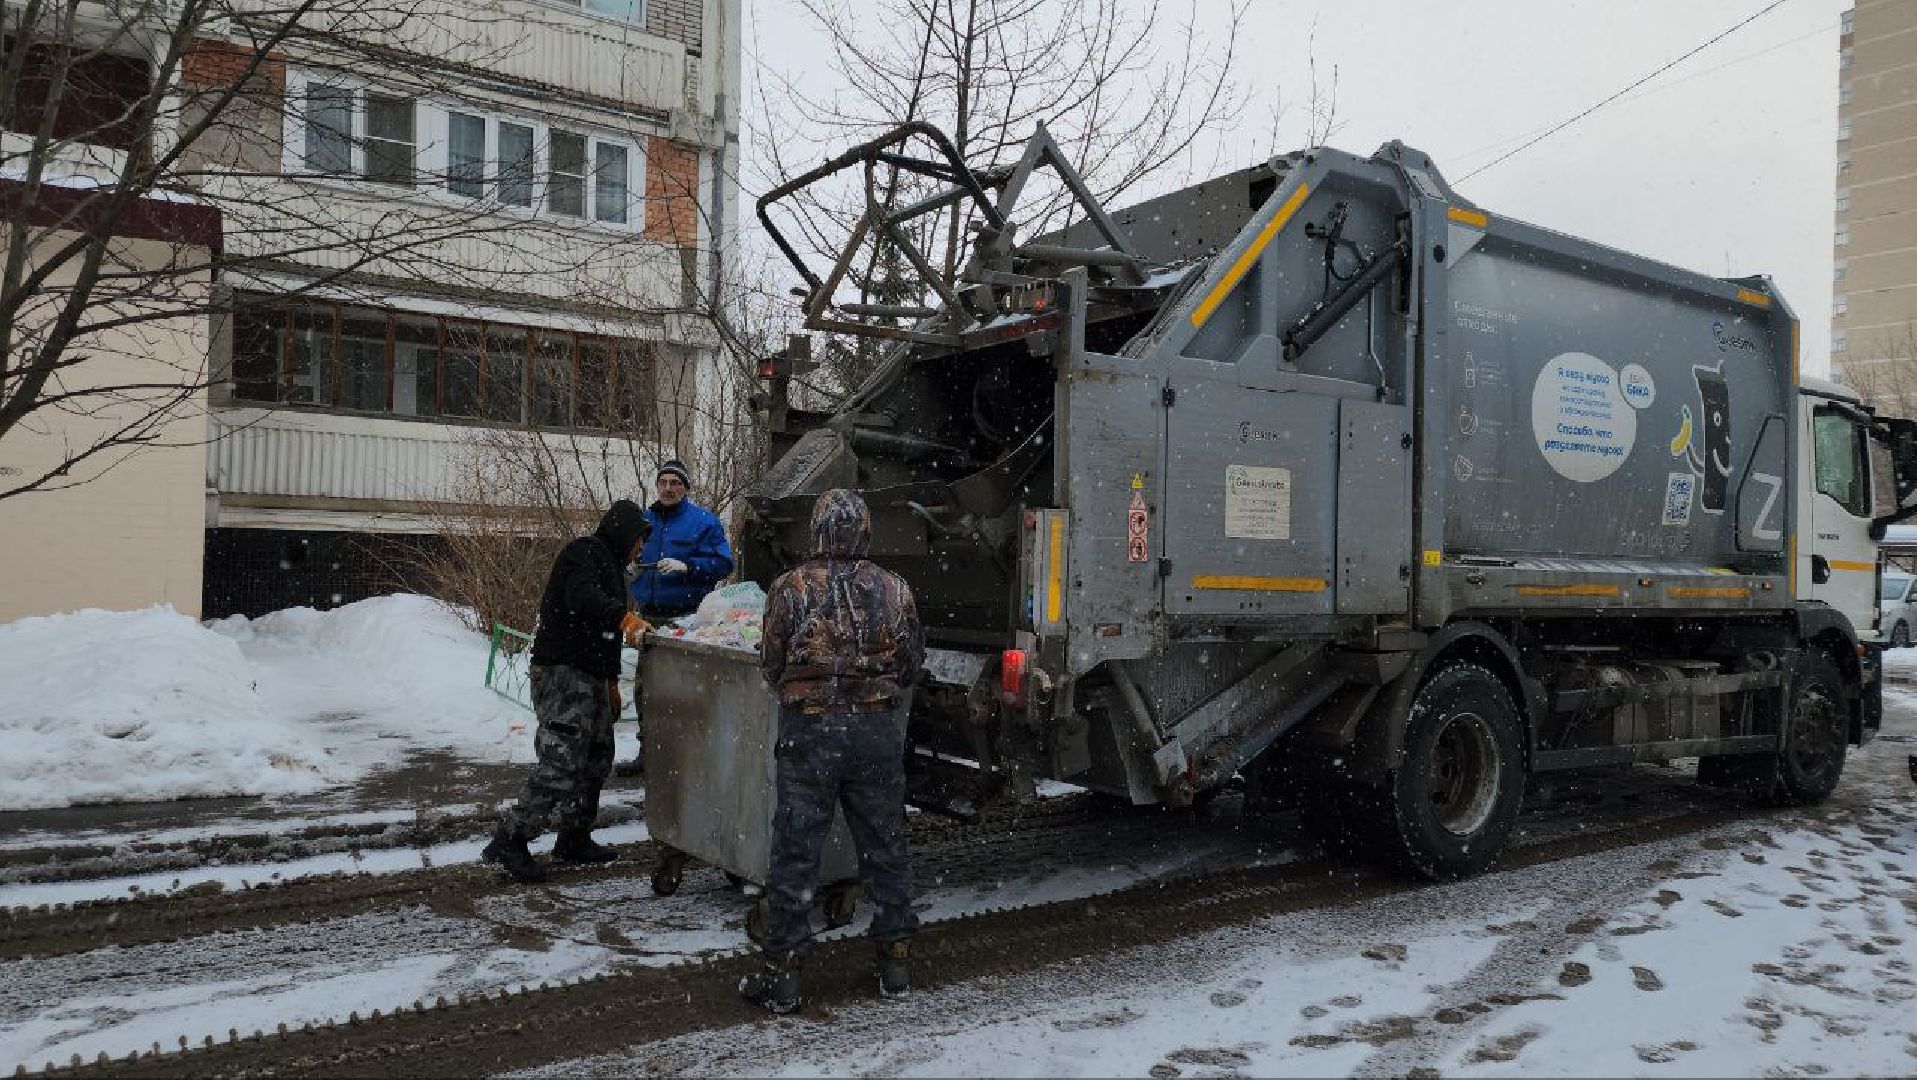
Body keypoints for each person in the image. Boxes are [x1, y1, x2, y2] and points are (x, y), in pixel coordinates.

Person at [738, 488, 925, 1014]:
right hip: (875, 733)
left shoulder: (789, 587)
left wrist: (810, 691)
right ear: (864, 530)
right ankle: (895, 961)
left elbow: (771, 662)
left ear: (816, 529)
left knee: (796, 851)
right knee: (885, 846)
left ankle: (783, 975)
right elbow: (911, 663)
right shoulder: (895, 588)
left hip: (811, 732)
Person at [482, 500, 651, 884]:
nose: (641, 549)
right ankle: (511, 839)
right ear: (623, 532)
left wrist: (610, 681)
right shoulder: (583, 553)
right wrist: (623, 617)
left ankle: (574, 836)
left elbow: (601, 636)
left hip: (591, 677)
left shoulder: (611, 567)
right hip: (563, 674)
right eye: (639, 539)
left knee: (596, 758)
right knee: (561, 761)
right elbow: (582, 599)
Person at [615, 459, 735, 777]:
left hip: (686, 619)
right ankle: (648, 753)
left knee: (685, 688)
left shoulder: (703, 522)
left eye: (675, 483)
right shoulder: (643, 519)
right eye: (663, 482)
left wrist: (688, 566)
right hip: (648, 619)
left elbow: (724, 564)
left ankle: (687, 754)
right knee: (646, 688)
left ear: (685, 488)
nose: (668, 488)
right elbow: (621, 554)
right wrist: (627, 568)